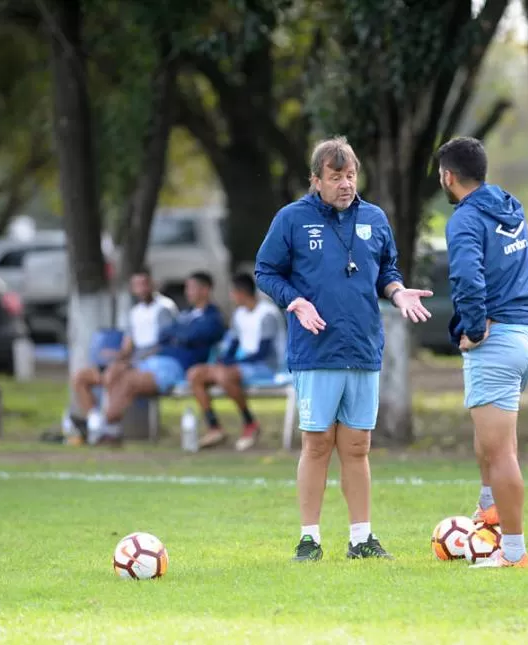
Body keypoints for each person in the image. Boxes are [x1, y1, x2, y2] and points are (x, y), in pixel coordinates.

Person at [255, 136, 433, 562]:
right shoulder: (291, 219)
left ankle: (361, 539)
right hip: (317, 349)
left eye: (350, 175)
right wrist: (293, 301)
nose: (345, 184)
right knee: (317, 445)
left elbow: (386, 270)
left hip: (363, 346)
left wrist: (397, 291)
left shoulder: (374, 217)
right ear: (316, 180)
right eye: (335, 177)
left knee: (357, 447)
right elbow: (266, 270)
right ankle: (310, 539)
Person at [438, 136, 528, 569]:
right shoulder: (507, 204)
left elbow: (467, 277)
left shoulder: (464, 220)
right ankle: (489, 509)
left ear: (448, 177)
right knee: (491, 440)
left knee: (501, 452)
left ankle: (514, 552)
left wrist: (474, 327)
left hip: (498, 341)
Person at [88, 272, 226, 444]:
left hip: (176, 367)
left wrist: (179, 335)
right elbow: (165, 334)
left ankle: (105, 425)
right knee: (116, 372)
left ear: (205, 290)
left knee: (129, 380)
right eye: (187, 288)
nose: (187, 292)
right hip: (156, 360)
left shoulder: (213, 318)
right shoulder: (187, 315)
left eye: (191, 288)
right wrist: (180, 335)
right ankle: (109, 428)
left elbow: (188, 336)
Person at [67, 267, 178, 444]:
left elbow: (165, 344)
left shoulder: (164, 309)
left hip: (151, 363)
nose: (141, 289)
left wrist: (131, 361)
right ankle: (94, 422)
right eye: (137, 285)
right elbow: (128, 346)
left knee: (114, 374)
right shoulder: (135, 313)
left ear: (152, 284)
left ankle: (109, 428)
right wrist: (116, 355)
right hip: (132, 362)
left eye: (144, 284)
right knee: (82, 377)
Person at [189, 272, 286, 452]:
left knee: (225, 375)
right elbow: (233, 343)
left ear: (241, 293)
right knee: (196, 374)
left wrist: (233, 362)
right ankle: (214, 427)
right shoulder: (239, 314)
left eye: (233, 292)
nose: (231, 297)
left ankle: (250, 423)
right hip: (243, 365)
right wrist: (224, 360)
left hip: (267, 366)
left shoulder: (267, 314)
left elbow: (264, 352)